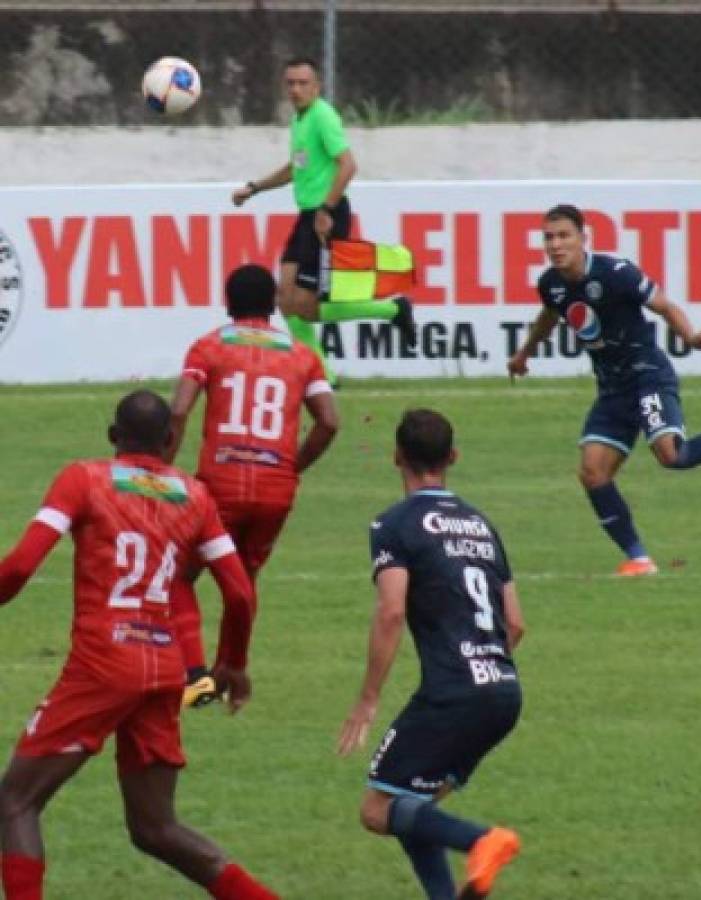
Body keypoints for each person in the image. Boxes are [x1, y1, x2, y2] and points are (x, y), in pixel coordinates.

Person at [0, 390, 278, 900]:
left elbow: (19, 566)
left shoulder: (83, 478)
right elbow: (239, 593)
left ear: (112, 437)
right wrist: (231, 663)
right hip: (164, 669)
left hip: (102, 666)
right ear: (170, 439)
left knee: (14, 802)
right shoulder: (195, 495)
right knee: (156, 829)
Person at [508, 203, 701, 577]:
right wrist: (524, 353)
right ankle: (639, 559)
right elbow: (550, 315)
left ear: (583, 238)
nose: (555, 244)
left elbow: (664, 305)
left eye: (564, 235)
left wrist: (692, 337)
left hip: (646, 374)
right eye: (548, 237)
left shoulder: (616, 273)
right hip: (612, 388)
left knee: (672, 456)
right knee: (592, 472)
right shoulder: (550, 283)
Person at [338, 409, 525, 900]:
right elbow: (517, 622)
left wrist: (368, 699)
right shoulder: (482, 525)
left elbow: (391, 612)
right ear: (453, 458)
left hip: (454, 693)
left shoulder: (394, 524)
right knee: (414, 805)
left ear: (397, 456)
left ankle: (482, 840)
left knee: (378, 809)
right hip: (504, 692)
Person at [166, 263, 339, 706]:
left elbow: (180, 410)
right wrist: (292, 466)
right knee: (243, 580)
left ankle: (195, 673)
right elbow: (329, 422)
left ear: (228, 303)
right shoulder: (301, 354)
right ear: (274, 305)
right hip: (275, 488)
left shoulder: (209, 347)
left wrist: (162, 464)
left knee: (179, 576)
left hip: (219, 485)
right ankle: (232, 666)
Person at [231, 56, 416, 383]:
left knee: (306, 305)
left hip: (326, 216)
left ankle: (393, 310)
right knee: (285, 300)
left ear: (316, 86)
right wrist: (254, 188)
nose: (296, 89)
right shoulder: (299, 121)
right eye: (290, 83)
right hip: (307, 216)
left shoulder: (322, 117)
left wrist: (326, 210)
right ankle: (323, 377)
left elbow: (348, 165)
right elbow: (294, 167)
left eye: (303, 83)